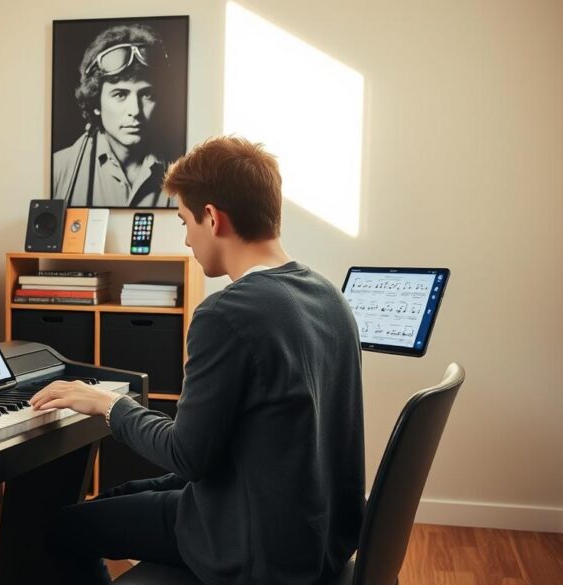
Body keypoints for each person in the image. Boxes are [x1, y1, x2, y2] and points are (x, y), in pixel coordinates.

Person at [31, 136, 366, 584]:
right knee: (115, 498)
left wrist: (106, 404)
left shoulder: (227, 313)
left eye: (185, 220)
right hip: (314, 540)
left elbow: (187, 456)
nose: (186, 237)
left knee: (63, 527)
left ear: (212, 217)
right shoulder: (330, 297)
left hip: (250, 549)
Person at [52, 24, 176, 208]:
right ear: (96, 104)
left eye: (146, 94)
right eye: (120, 94)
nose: (135, 110)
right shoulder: (59, 170)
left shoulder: (184, 174)